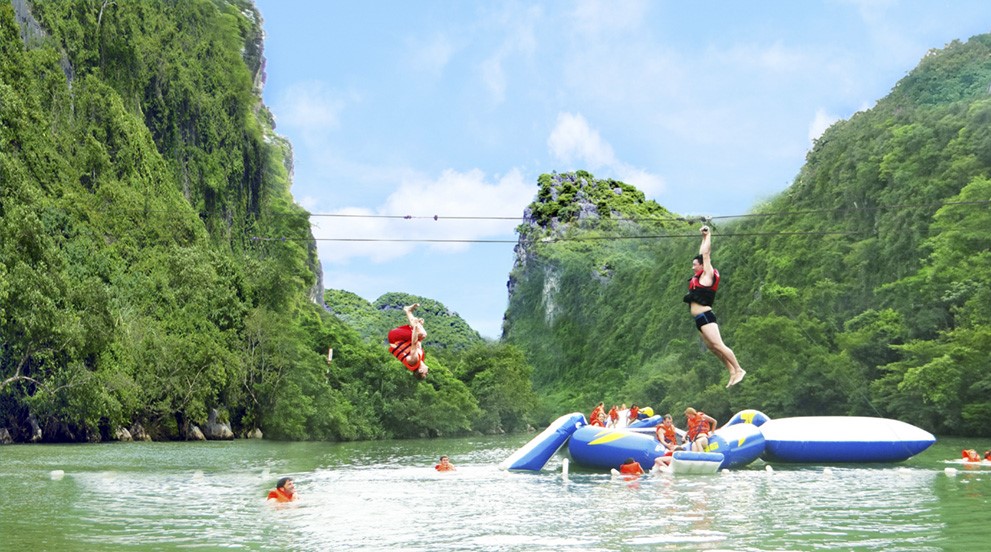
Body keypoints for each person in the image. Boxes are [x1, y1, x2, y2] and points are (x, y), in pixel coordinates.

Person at [684, 225, 746, 387]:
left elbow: (706, 254)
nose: (693, 267)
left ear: (703, 266)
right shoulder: (698, 278)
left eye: (695, 264)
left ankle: (739, 369)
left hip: (706, 316)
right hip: (699, 319)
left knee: (719, 345)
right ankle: (731, 371)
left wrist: (708, 235)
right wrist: (703, 238)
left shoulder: (708, 275)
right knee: (712, 348)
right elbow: (702, 251)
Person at [387, 303, 429, 379]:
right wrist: (420, 326)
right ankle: (408, 311)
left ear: (420, 370)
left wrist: (416, 326)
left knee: (422, 334)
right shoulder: (421, 358)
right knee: (422, 334)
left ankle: (408, 311)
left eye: (426, 374)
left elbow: (414, 342)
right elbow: (419, 342)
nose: (427, 372)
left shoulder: (413, 361)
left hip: (395, 337)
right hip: (401, 338)